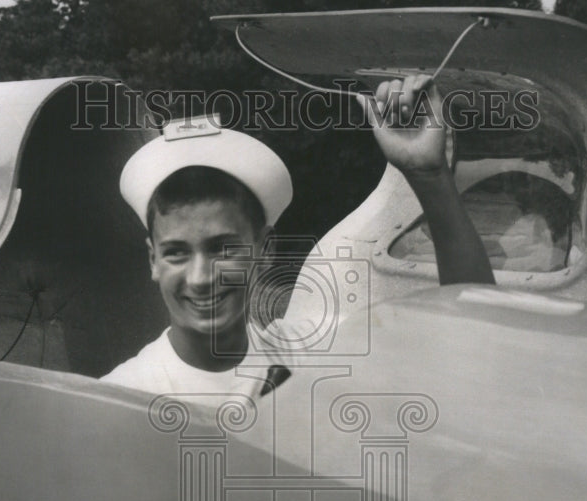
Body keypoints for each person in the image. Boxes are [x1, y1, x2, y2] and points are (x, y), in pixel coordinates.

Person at [101, 75, 494, 398]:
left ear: (264, 250)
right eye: (176, 253)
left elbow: (476, 337)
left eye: (224, 248)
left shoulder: (307, 353)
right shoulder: (122, 397)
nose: (202, 277)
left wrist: (429, 175)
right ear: (152, 259)